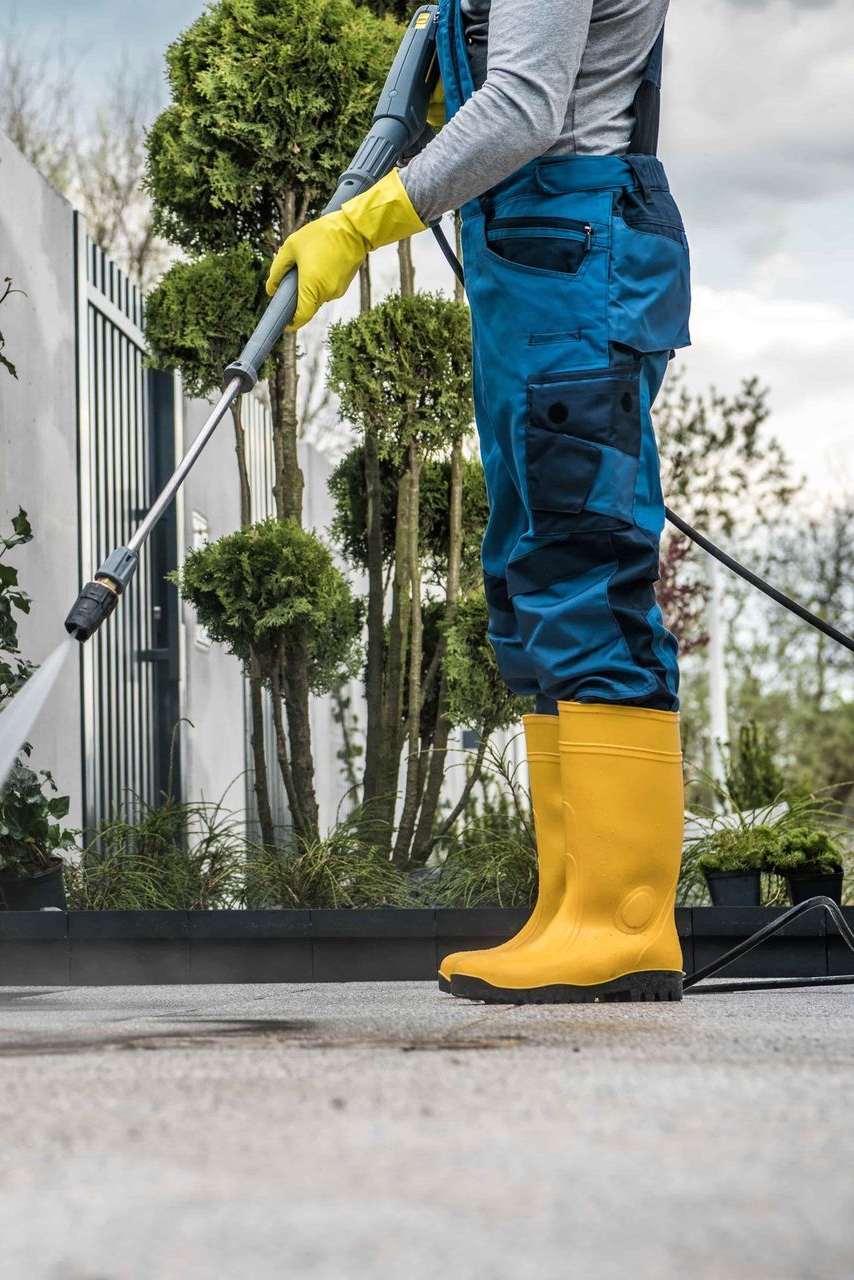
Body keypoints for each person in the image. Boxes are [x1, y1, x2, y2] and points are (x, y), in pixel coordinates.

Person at [266, 0, 689, 1004]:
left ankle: (624, 921)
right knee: (537, 578)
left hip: (572, 264)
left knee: (585, 573)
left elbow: (526, 107)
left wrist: (363, 223)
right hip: (542, 263)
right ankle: (572, 906)